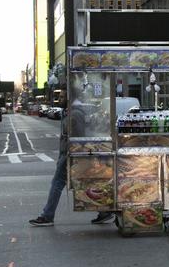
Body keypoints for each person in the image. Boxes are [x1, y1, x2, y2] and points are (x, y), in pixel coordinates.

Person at [29, 87, 114, 227]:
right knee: (86, 182)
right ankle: (105, 211)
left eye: (62, 96)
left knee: (57, 184)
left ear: (70, 98)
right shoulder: (70, 112)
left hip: (70, 154)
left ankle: (47, 215)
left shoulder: (75, 114)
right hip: (69, 154)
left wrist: (72, 155)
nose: (59, 99)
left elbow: (78, 137)